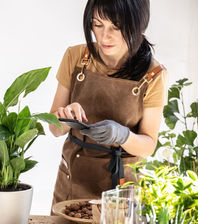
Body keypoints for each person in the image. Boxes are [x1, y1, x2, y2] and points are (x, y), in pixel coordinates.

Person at [49, 0, 168, 205]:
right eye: (98, 24)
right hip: (72, 183)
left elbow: (148, 145)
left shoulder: (154, 75)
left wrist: (122, 135)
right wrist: (66, 117)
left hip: (122, 188)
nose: (105, 36)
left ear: (138, 24)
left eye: (117, 27)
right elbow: (54, 128)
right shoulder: (76, 57)